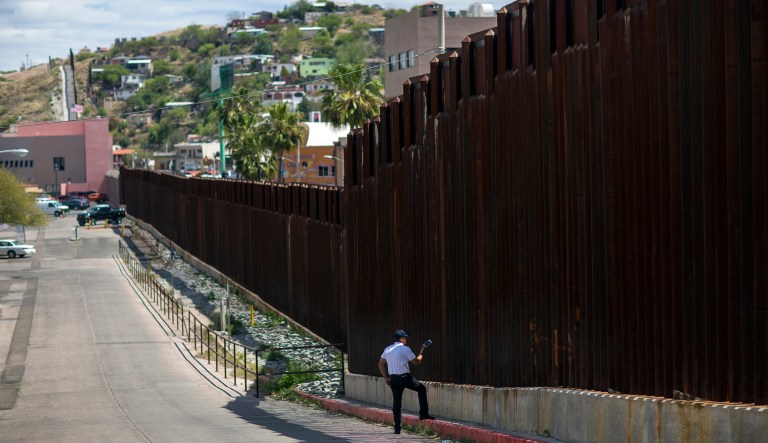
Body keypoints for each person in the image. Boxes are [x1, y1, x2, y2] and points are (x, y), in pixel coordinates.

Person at [378, 329, 434, 434]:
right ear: (402, 339)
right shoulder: (405, 349)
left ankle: (397, 429)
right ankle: (423, 414)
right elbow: (417, 362)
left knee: (396, 403)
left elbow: (380, 364)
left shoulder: (387, 349)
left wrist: (386, 378)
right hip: (405, 378)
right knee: (421, 389)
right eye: (405, 338)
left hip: (393, 378)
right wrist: (422, 351)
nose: (406, 340)